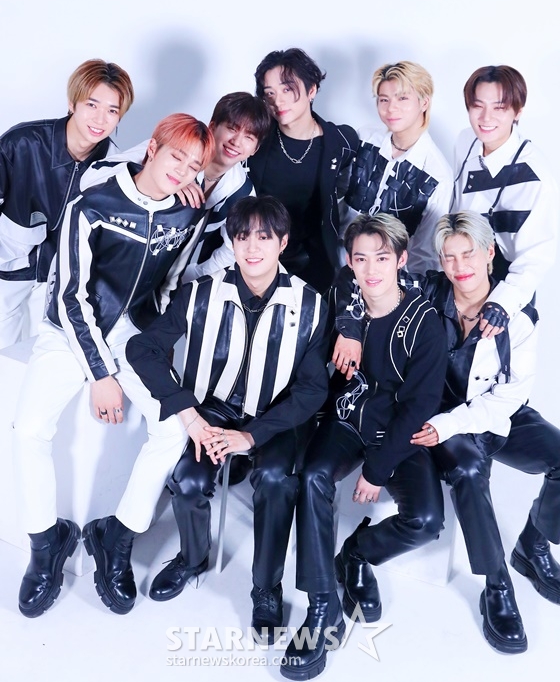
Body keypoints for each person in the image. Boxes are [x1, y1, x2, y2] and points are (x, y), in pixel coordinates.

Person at [12, 113, 215, 618]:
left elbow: (170, 284)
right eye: (176, 156)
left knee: (171, 429)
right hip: (69, 330)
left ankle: (116, 535)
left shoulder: (188, 216)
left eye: (194, 165)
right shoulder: (93, 203)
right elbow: (70, 294)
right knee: (29, 429)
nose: (182, 170)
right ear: (153, 149)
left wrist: (156, 349)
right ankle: (46, 543)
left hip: (131, 336)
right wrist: (101, 374)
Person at [126, 195, 328, 640]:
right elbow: (142, 349)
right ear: (231, 242)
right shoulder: (200, 293)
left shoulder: (311, 304)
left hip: (274, 415)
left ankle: (266, 588)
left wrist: (251, 437)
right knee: (188, 481)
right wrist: (188, 414)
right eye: (242, 237)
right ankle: (192, 557)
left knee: (276, 481)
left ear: (283, 242)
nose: (252, 247)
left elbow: (312, 390)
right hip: (212, 410)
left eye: (264, 237)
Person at [281, 213, 447, 679]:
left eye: (382, 258)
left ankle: (356, 553)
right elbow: (338, 285)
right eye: (361, 259)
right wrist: (348, 329)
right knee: (313, 477)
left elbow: (419, 406)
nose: (371, 269)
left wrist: (376, 471)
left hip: (398, 432)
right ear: (350, 263)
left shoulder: (424, 322)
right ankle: (322, 606)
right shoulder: (343, 300)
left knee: (427, 521)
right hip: (348, 418)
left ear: (401, 260)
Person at [411, 211, 560, 654]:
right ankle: (497, 585)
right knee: (470, 472)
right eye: (449, 256)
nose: (460, 266)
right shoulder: (425, 295)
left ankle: (533, 545)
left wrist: (453, 423)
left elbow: (509, 397)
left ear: (490, 253)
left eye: (469, 253)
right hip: (439, 413)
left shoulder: (518, 315)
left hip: (494, 411)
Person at [0, 59, 134, 348]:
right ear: (72, 103)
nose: (100, 119)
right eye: (92, 105)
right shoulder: (23, 142)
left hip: (57, 286)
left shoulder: (113, 168)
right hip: (5, 270)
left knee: (31, 361)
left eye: (112, 111)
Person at [83, 92, 271, 285]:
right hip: (108, 262)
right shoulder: (173, 148)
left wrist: (193, 278)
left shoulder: (242, 192)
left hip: (163, 283)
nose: (236, 142)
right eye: (232, 129)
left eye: (249, 137)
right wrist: (172, 177)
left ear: (255, 149)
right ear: (212, 126)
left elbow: (237, 248)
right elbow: (93, 176)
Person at [450, 65, 558, 337]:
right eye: (478, 106)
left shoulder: (535, 175)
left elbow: (537, 255)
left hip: (504, 293)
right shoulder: (466, 141)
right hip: (459, 279)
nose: (486, 118)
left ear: (517, 111)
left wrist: (503, 303)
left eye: (499, 107)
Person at [247, 47, 359, 293]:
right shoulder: (256, 136)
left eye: (287, 89)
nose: (278, 101)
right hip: (254, 257)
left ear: (312, 90)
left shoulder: (342, 141)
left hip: (312, 266)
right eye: (270, 93)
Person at [339, 60, 453, 274]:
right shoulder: (364, 139)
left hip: (389, 280)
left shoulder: (437, 175)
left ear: (424, 102)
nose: (391, 108)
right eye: (384, 99)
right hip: (338, 264)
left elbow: (424, 253)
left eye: (402, 98)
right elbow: (338, 197)